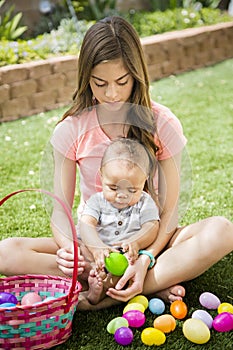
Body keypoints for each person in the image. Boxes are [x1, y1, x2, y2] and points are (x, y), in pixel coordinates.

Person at [0, 16, 232, 311]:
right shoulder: (71, 130)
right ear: (87, 78)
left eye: (122, 81)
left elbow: (170, 211)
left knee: (222, 231)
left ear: (136, 75)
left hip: (151, 241)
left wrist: (146, 257)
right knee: (5, 252)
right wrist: (71, 249)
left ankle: (112, 292)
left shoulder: (160, 123)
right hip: (94, 244)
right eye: (100, 83)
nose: (112, 93)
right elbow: (60, 210)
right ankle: (149, 285)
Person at [79, 138, 160, 304]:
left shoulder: (145, 202)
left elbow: (152, 226)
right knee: (85, 255)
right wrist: (96, 247)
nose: (122, 195)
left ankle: (99, 291)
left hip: (128, 257)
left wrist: (136, 242)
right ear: (102, 176)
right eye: (113, 188)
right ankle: (95, 283)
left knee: (138, 265)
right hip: (101, 255)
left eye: (132, 190)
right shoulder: (97, 201)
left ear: (144, 179)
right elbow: (86, 223)